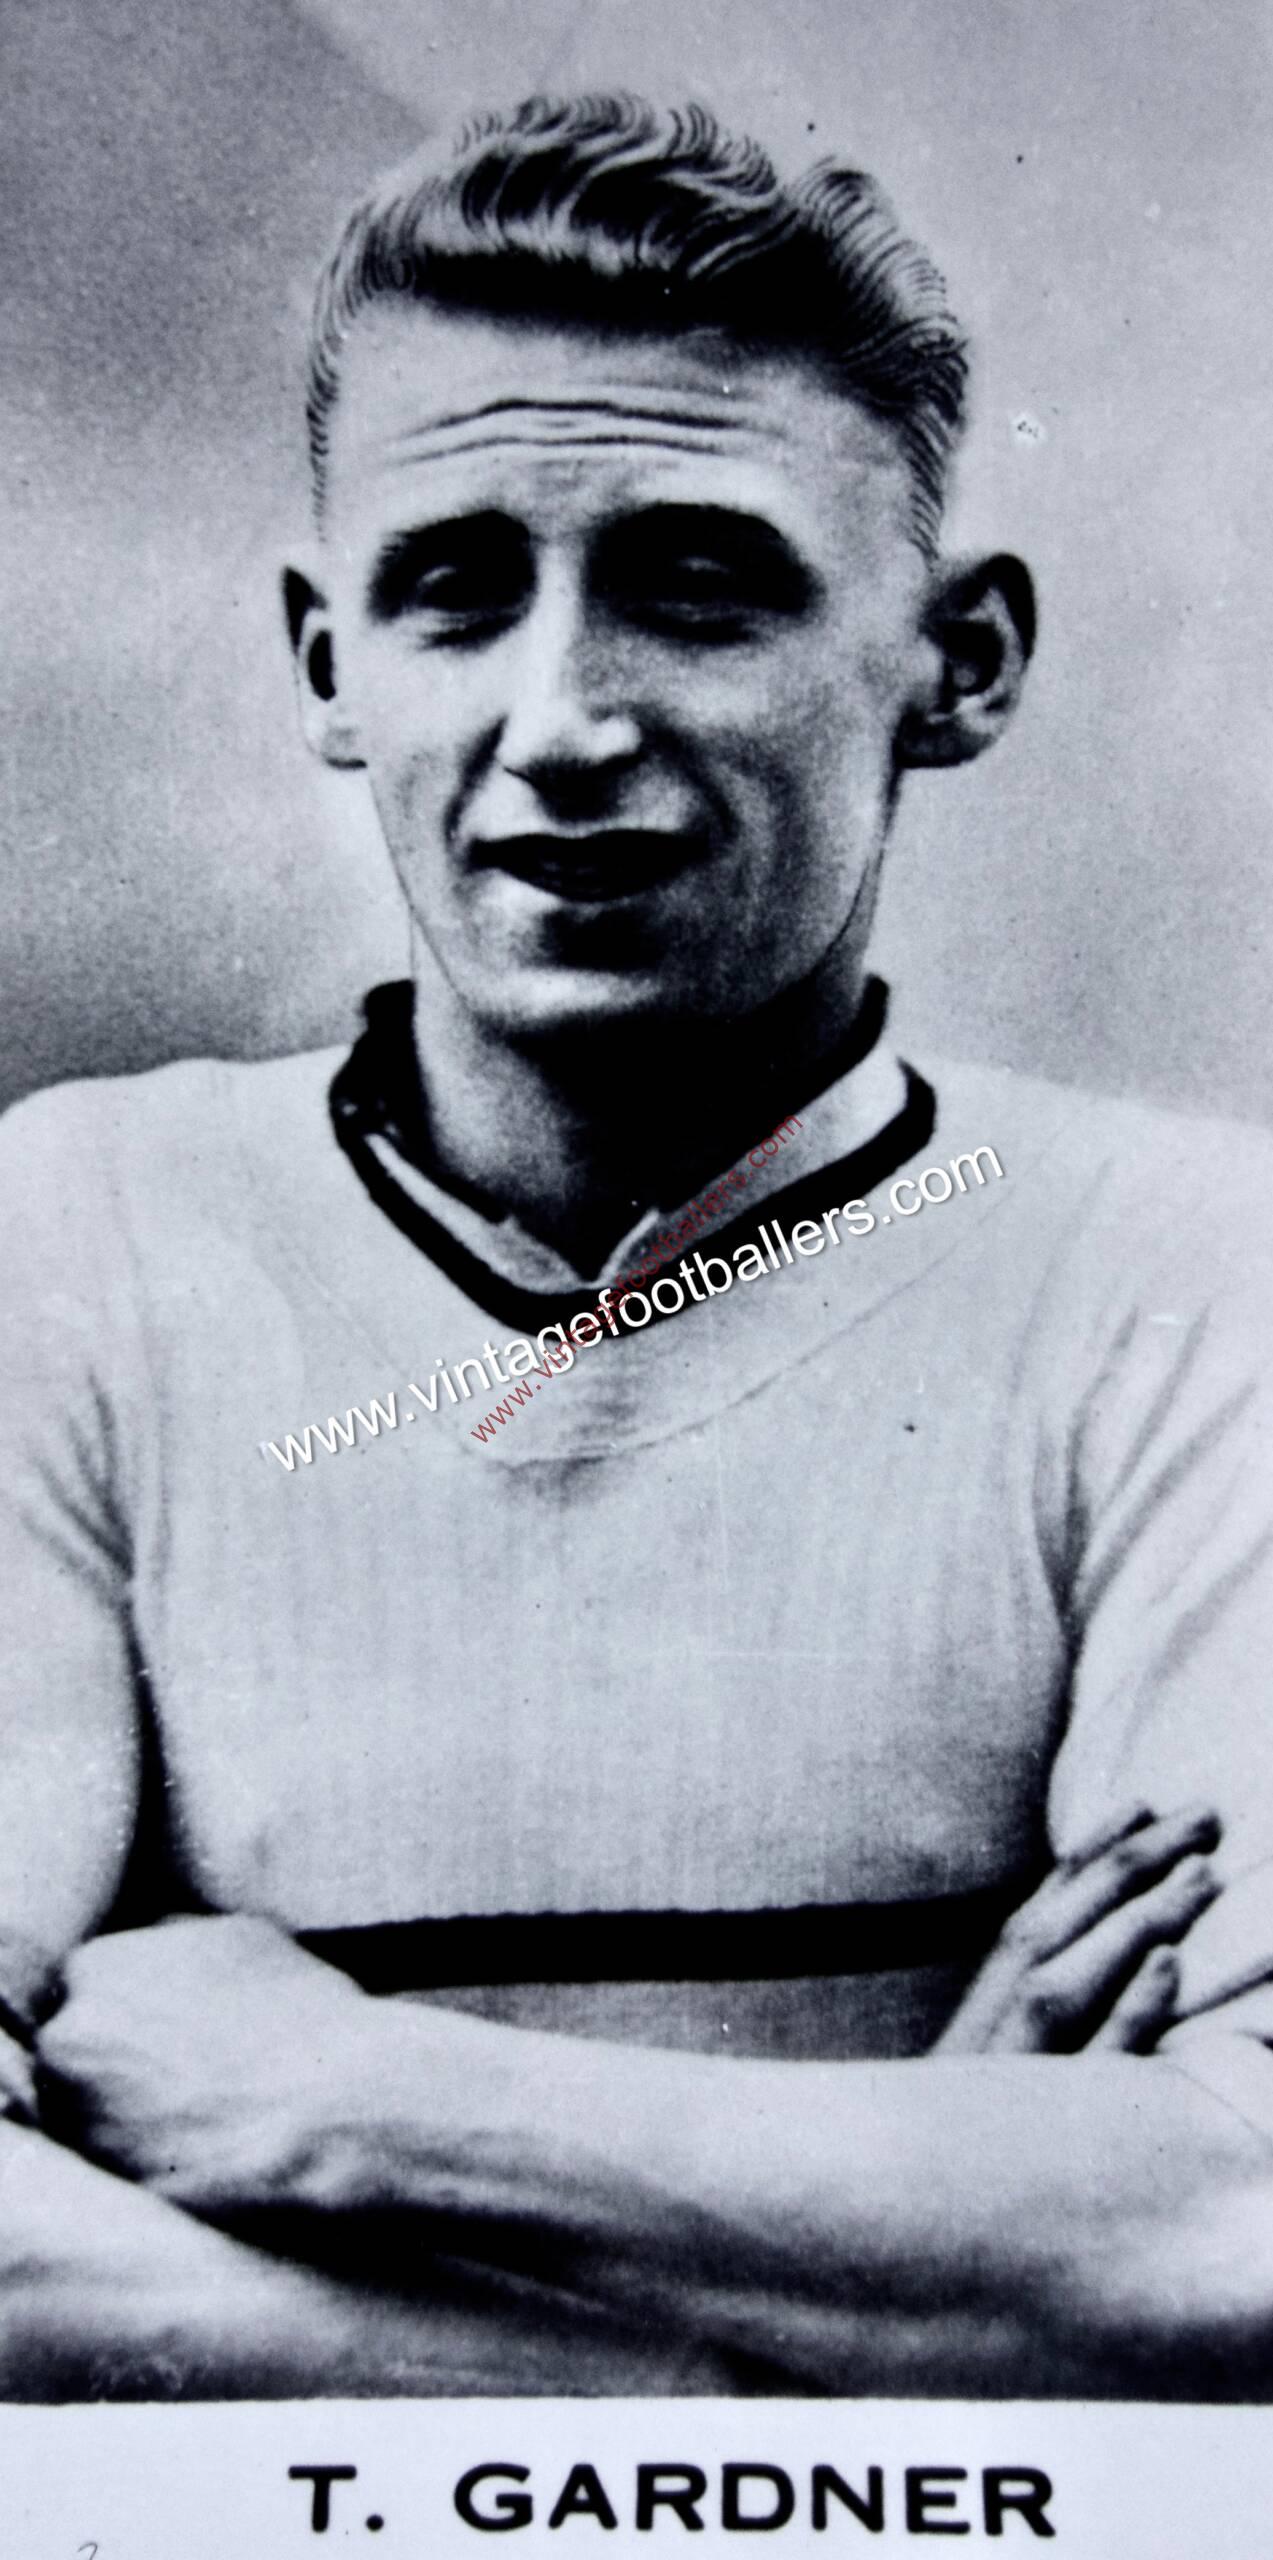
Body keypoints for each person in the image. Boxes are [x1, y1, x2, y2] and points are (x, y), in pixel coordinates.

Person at [2, 92, 1272, 2402]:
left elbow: (1240, 2216)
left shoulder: (1194, 1268)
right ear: (325, 661)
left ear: (959, 658)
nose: (563, 720)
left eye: (700, 586)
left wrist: (364, 2101)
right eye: (453, 589)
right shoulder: (66, 1239)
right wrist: (849, 2314)